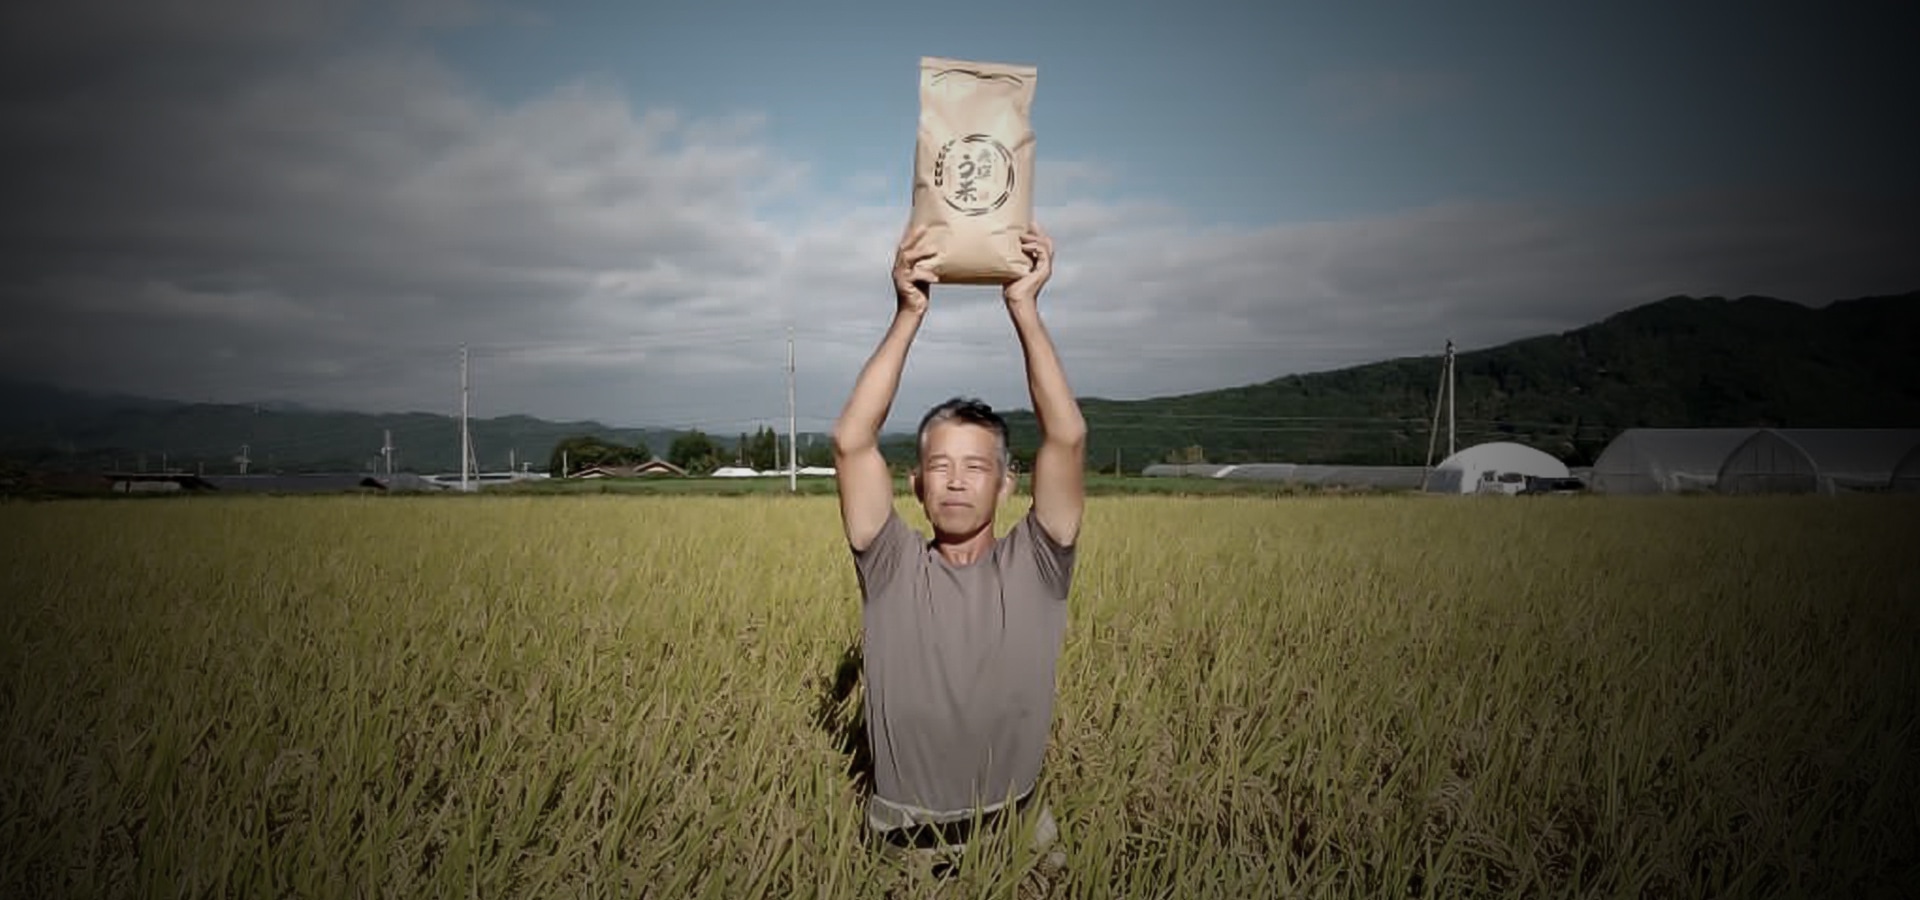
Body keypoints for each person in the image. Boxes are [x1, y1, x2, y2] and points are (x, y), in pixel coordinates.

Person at [829, 221, 1087, 875]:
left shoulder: (1038, 563)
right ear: (915, 485)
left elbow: (1067, 437)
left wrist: (1023, 307)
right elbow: (852, 441)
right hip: (909, 845)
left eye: (975, 467)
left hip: (1021, 831)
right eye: (939, 466)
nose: (955, 480)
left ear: (1006, 484)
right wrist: (908, 313)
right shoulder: (891, 566)